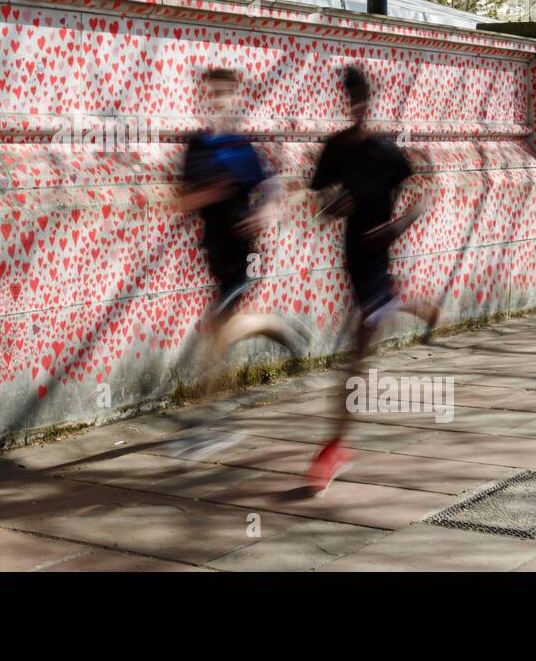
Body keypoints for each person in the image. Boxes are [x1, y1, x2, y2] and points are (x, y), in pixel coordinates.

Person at [305, 65, 439, 493]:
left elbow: (422, 198)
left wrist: (395, 227)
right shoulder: (335, 149)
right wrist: (334, 208)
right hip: (353, 259)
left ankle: (334, 446)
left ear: (370, 100)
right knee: (368, 329)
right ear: (346, 101)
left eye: (363, 98)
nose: (358, 106)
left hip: (377, 259)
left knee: (358, 354)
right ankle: (408, 304)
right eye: (352, 98)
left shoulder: (387, 153)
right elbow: (320, 209)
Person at [176, 67, 304, 391]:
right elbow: (180, 201)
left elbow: (274, 189)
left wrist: (264, 214)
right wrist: (208, 194)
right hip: (214, 251)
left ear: (234, 98)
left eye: (223, 94)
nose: (217, 101)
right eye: (212, 94)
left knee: (218, 329)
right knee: (221, 328)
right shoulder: (196, 147)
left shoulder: (241, 148)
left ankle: (206, 421)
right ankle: (273, 324)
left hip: (244, 255)